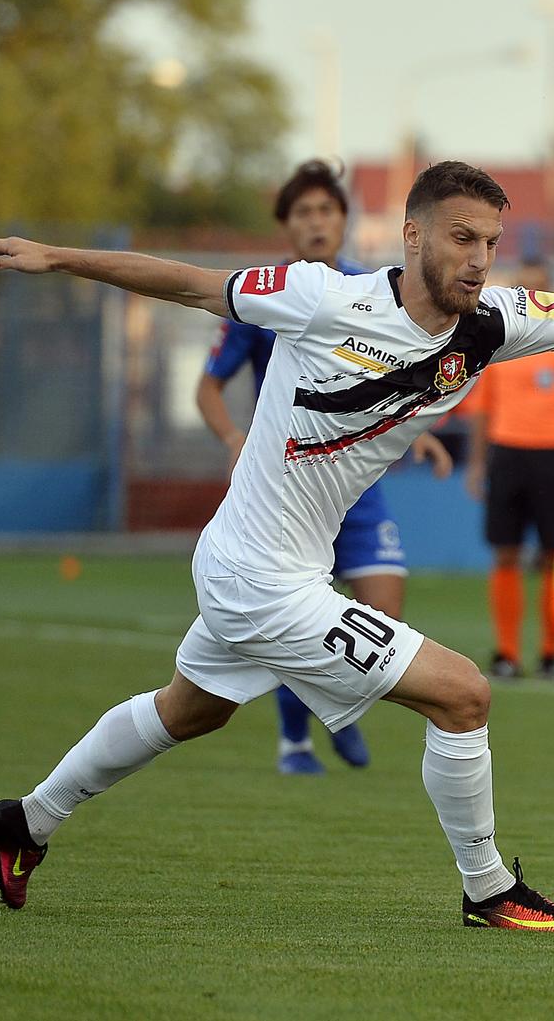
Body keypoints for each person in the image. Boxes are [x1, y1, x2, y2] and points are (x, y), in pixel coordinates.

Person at [0, 160, 554, 931]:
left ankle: (25, 820)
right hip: (257, 574)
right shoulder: (323, 297)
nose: (478, 259)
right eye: (461, 238)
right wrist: (58, 257)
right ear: (412, 236)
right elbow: (192, 282)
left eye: (489, 242)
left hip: (273, 565)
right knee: (464, 694)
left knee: (187, 709)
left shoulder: (496, 322)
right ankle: (489, 891)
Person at [195, 159, 448, 776]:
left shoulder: (376, 289)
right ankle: (295, 742)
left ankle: (337, 704)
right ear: (287, 225)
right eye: (303, 212)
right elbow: (208, 386)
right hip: (289, 490)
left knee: (383, 614)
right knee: (296, 618)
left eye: (326, 210)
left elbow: (401, 377)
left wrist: (424, 437)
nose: (316, 222)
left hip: (357, 488)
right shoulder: (278, 294)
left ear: (343, 220)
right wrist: (232, 434)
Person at [462, 259, 554, 679]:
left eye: (538, 289)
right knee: (506, 553)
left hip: (553, 454)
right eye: (523, 290)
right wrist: (475, 463)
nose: (530, 298)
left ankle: (550, 653)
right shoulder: (497, 338)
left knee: (551, 557)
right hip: (506, 452)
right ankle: (507, 652)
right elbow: (480, 407)